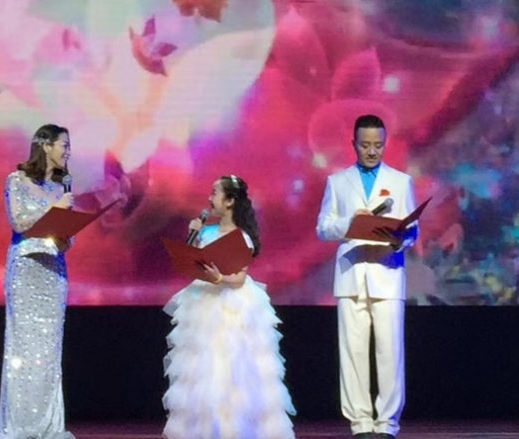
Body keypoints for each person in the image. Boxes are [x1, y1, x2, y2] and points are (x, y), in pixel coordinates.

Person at [0, 124, 76, 439]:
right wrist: (55, 210)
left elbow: (65, 242)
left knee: (48, 353)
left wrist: (66, 230)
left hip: (54, 272)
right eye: (63, 144)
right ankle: (21, 425)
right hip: (26, 270)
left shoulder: (61, 189)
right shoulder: (17, 180)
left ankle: (47, 425)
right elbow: (19, 222)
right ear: (45, 145)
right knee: (22, 350)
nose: (68, 151)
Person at [161, 174, 297, 439]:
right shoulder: (206, 232)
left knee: (231, 366)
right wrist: (193, 238)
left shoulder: (241, 237)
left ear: (230, 201)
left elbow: (239, 278)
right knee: (203, 369)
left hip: (232, 305)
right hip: (203, 302)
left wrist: (218, 278)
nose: (209, 198)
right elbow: (194, 262)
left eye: (215, 193)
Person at [315, 115, 418, 439]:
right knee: (354, 352)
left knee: (389, 352)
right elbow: (323, 228)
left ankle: (387, 423)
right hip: (351, 276)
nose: (372, 151)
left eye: (378, 145)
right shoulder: (337, 182)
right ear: (354, 144)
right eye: (365, 145)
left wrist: (400, 239)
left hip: (387, 274)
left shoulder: (400, 182)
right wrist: (351, 221)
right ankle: (360, 422)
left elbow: (412, 229)